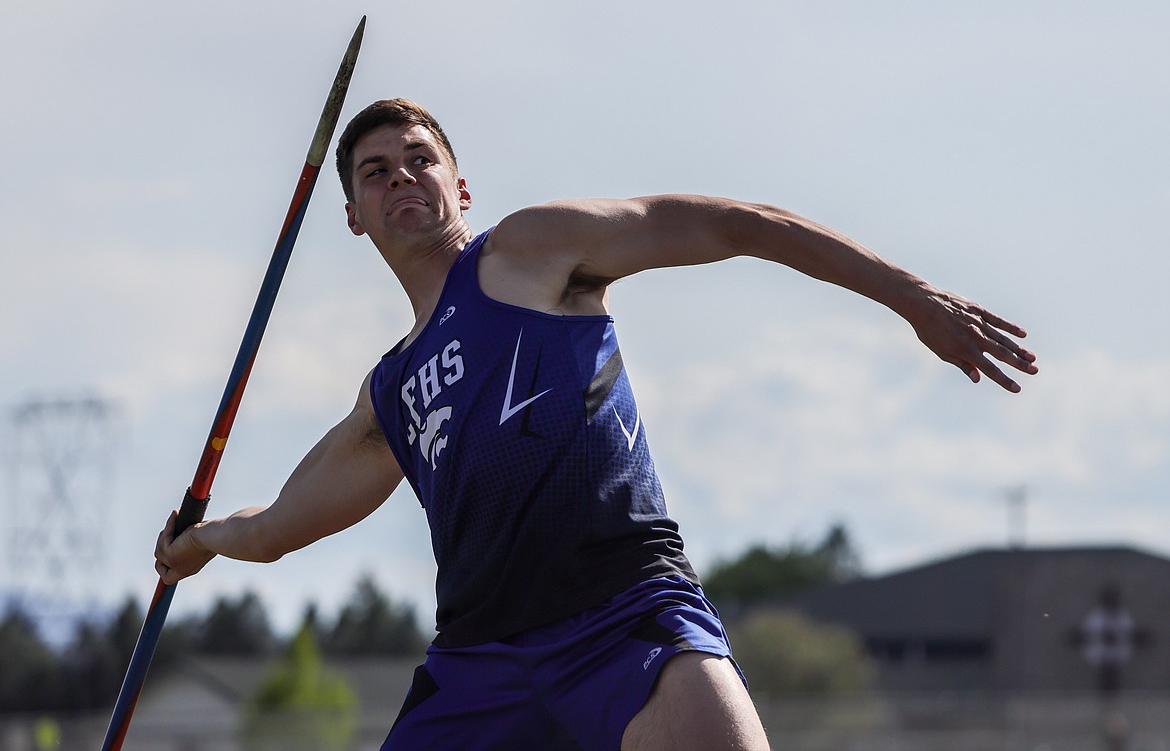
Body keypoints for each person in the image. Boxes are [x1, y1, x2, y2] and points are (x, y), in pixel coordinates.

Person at [155, 98, 1038, 750]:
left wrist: (907, 295)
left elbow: (737, 225)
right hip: (481, 666)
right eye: (375, 172)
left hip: (624, 618)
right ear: (353, 216)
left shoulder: (531, 252)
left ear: (459, 184)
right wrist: (199, 544)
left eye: (419, 158)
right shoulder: (390, 395)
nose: (401, 178)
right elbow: (270, 528)